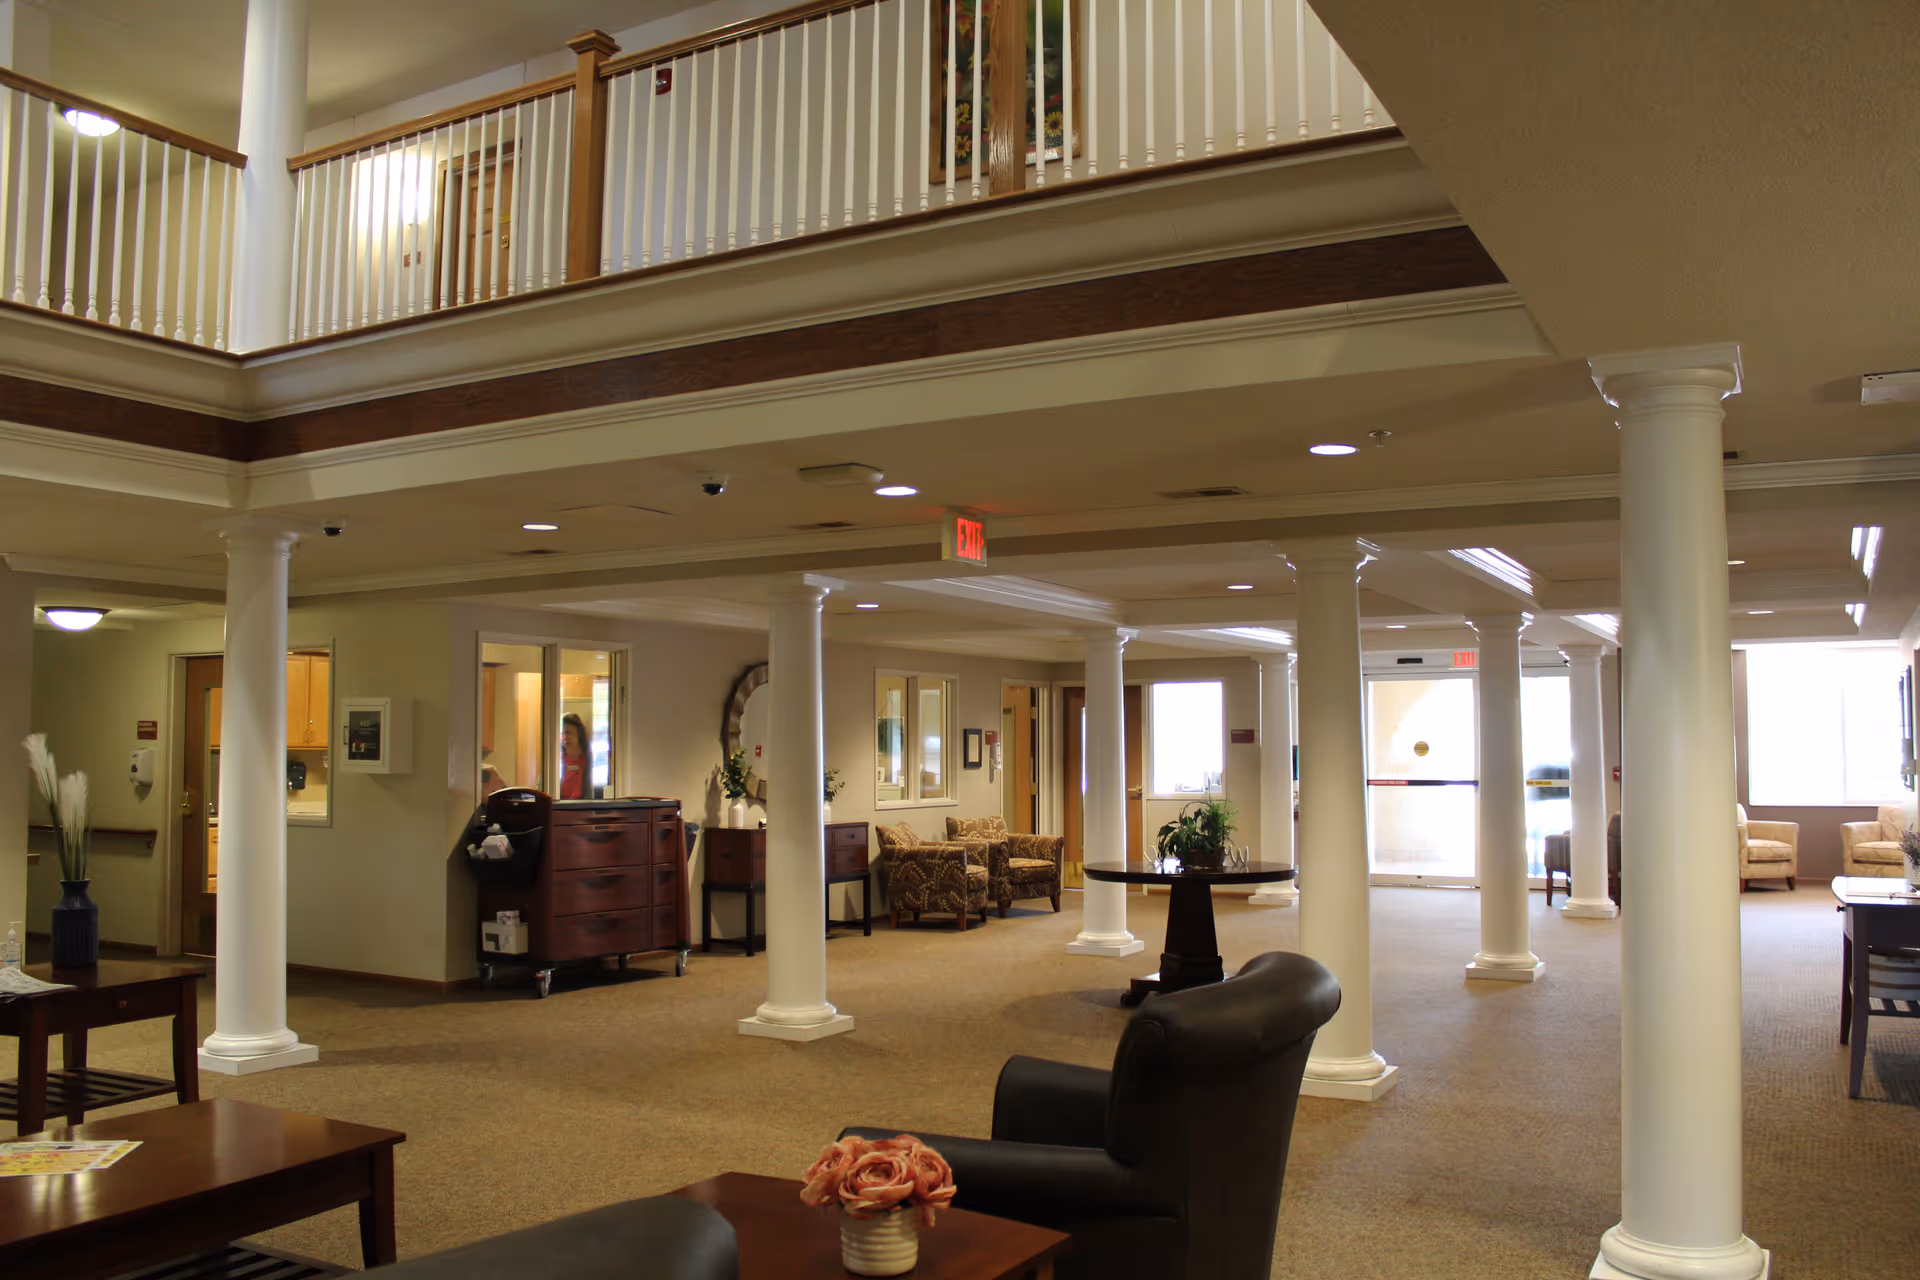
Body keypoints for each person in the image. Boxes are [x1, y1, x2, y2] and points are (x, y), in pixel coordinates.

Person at [560, 713, 590, 800]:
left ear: (579, 735)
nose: (565, 737)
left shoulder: (588, 760)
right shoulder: (555, 760)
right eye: (562, 733)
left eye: (568, 733)